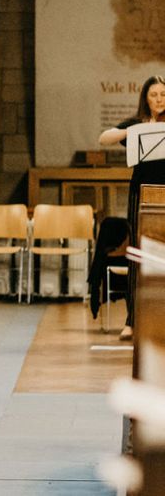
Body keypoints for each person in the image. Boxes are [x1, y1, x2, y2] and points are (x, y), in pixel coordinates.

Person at [99, 75, 165, 341]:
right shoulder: (138, 124)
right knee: (138, 255)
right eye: (154, 95)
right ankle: (132, 320)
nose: (159, 99)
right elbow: (104, 138)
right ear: (145, 98)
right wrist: (132, 132)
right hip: (142, 193)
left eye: (163, 94)